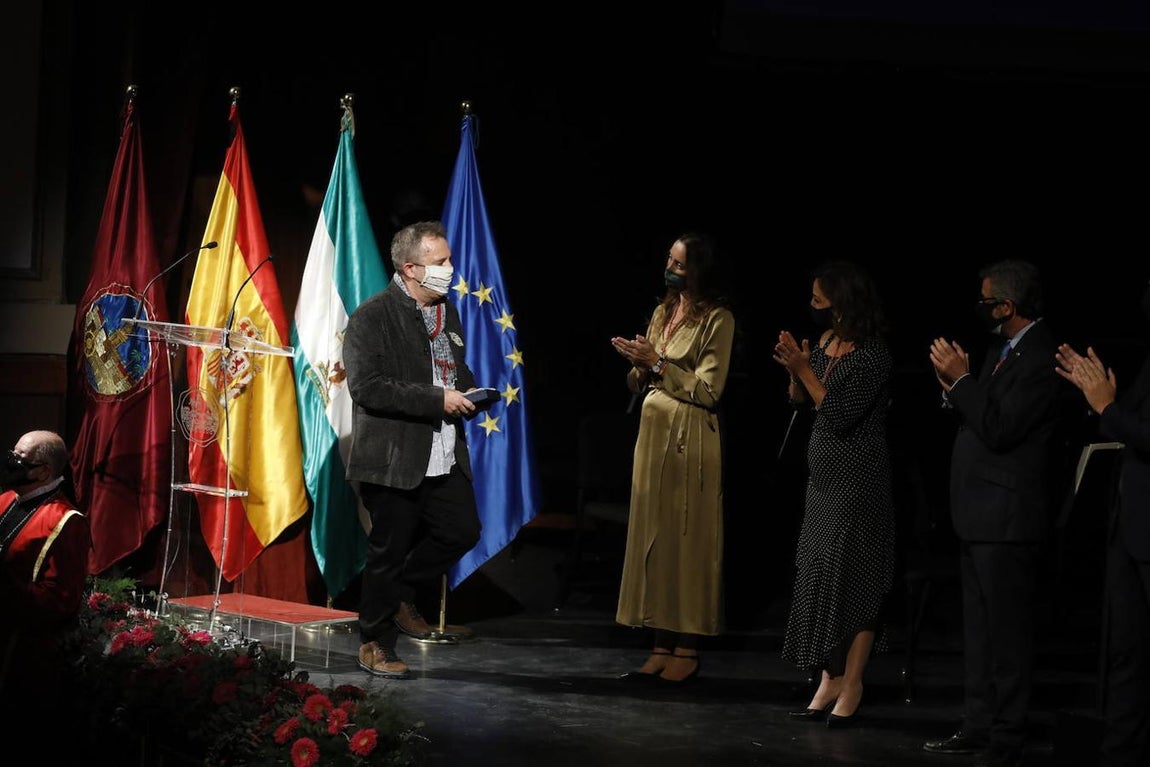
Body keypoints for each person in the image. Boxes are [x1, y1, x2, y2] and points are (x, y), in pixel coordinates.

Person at [924, 259, 1066, 766]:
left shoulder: (1041, 357)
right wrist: (956, 388)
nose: (981, 308)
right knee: (980, 633)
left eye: (987, 300)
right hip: (979, 515)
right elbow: (984, 415)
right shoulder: (1002, 350)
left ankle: (1007, 733)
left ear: (1007, 306)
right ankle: (978, 724)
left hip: (1008, 519)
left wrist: (962, 382)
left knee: (1006, 636)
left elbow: (1003, 429)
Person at [343, 220, 486, 679]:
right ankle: (376, 642)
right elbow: (368, 388)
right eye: (440, 262)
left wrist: (469, 393)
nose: (450, 269)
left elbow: (450, 370)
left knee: (461, 531)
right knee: (387, 550)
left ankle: (400, 594)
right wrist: (436, 398)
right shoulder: (373, 315)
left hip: (443, 450)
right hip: (394, 455)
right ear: (410, 268)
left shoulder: (448, 312)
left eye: (448, 259)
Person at [771, 259, 895, 728]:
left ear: (843, 302)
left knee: (856, 577)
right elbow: (802, 401)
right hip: (822, 483)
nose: (813, 305)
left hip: (860, 482)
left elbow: (839, 412)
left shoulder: (873, 355)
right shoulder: (824, 343)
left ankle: (854, 680)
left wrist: (805, 371)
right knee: (821, 574)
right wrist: (793, 371)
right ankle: (829, 675)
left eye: (819, 298)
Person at [610, 231, 736, 685]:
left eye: (680, 264)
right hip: (653, 435)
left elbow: (708, 390)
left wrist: (659, 365)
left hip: (691, 439)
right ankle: (660, 641)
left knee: (687, 539)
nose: (671, 268)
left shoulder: (718, 319)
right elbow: (637, 382)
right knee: (655, 536)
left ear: (699, 270)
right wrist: (639, 363)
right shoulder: (665, 311)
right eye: (670, 260)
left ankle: (687, 645)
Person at [1055, 290, 1150, 767]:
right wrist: (1102, 403)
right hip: (1131, 526)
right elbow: (1125, 425)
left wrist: (1108, 407)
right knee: (1126, 657)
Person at [0, 430, 91, 737]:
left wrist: (5, 588)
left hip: (22, 652)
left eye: (20, 459)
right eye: (12, 454)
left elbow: (60, 600)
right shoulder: (6, 500)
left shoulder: (67, 522)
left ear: (44, 471)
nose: (10, 462)